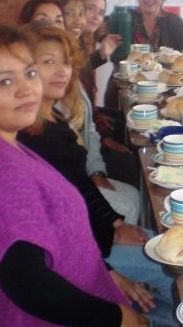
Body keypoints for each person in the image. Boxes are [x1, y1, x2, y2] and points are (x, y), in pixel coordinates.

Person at [0, 23, 150, 326]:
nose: (26, 89)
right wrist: (116, 318)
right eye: (5, 81)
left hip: (80, 285)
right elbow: (29, 286)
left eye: (30, 73)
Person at [18, 24, 140, 224]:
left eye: (66, 63)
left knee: (133, 194)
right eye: (49, 62)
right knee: (126, 204)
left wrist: (96, 172)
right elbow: (65, 190)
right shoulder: (34, 127)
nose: (61, 71)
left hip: (77, 182)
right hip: (58, 209)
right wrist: (115, 228)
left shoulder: (55, 115)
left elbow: (77, 170)